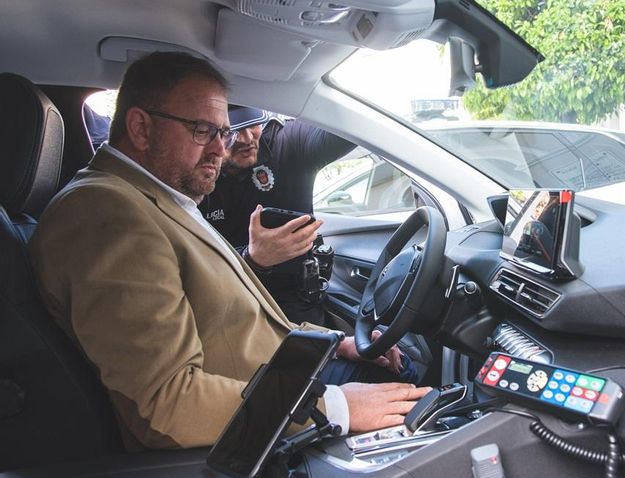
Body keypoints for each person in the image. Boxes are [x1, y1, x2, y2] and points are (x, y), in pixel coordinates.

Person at [29, 51, 430, 451]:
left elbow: (226, 319)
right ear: (140, 127)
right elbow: (168, 404)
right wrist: (336, 407)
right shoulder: (105, 215)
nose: (221, 150)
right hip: (257, 413)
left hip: (275, 377)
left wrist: (334, 341)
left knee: (402, 367)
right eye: (203, 130)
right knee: (422, 402)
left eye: (223, 133)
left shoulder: (153, 198)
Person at [198, 106, 357, 328]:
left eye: (252, 124)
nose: (246, 138)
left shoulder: (287, 143)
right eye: (230, 132)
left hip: (298, 300)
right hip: (232, 305)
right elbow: (191, 264)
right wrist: (252, 258)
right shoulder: (197, 175)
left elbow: (351, 126)